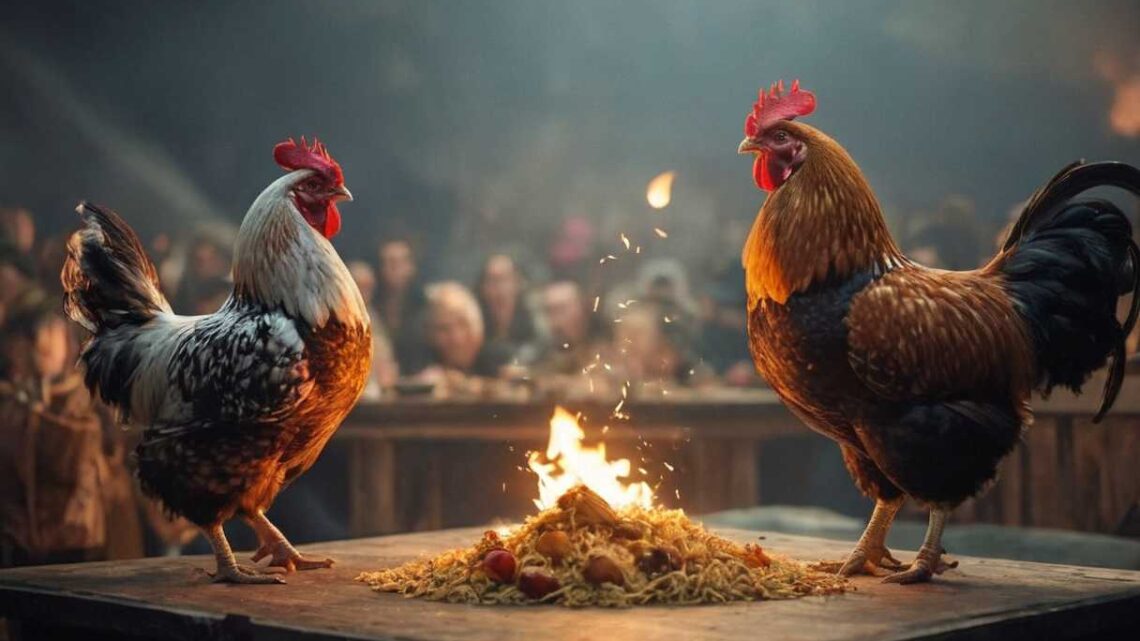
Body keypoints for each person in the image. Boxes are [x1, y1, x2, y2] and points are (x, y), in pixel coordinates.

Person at [0, 290, 119, 566]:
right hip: (16, 549)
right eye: (46, 332)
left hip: (77, 544)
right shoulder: (8, 404)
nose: (54, 342)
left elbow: (73, 460)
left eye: (58, 331)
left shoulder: (85, 397)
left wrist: (39, 412)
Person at [421, 281, 507, 378]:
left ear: (480, 325)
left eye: (464, 324)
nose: (457, 338)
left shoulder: (504, 362)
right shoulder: (420, 366)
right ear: (430, 334)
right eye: (444, 329)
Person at [376, 238, 430, 375]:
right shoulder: (371, 306)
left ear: (411, 267)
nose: (394, 268)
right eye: (388, 262)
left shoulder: (425, 307)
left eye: (399, 262)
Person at [348, 260, 398, 397]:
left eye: (369, 288)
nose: (365, 293)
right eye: (361, 287)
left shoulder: (373, 317)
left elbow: (384, 357)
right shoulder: (336, 318)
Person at [477, 254, 536, 361]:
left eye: (504, 279)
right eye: (492, 281)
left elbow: (540, 345)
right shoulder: (475, 321)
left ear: (517, 283)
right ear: (483, 287)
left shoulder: (534, 316)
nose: (499, 288)